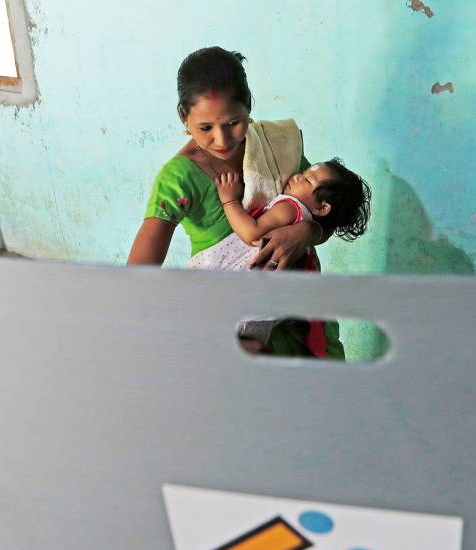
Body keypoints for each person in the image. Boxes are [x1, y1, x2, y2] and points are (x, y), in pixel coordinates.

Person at [127, 46, 344, 358]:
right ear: (184, 118)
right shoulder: (178, 178)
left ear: (248, 107)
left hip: (300, 307)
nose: (222, 139)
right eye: (205, 128)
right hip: (232, 325)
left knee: (326, 396)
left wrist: (306, 233)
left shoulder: (274, 146)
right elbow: (135, 278)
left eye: (233, 123)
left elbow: (323, 211)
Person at [188, 159, 371, 271]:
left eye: (307, 180)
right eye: (303, 172)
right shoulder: (304, 221)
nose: (297, 176)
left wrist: (229, 200)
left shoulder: (289, 207)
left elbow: (252, 234)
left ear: (322, 208)